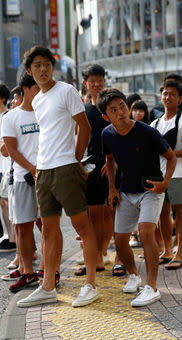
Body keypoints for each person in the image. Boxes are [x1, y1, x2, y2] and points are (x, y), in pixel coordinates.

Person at [17, 46, 99, 308]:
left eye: (47, 64)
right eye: (37, 66)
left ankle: (90, 285)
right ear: (30, 71)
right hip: (43, 170)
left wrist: (76, 158)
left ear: (53, 67)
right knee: (48, 229)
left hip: (65, 167)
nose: (43, 69)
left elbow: (84, 126)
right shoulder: (38, 99)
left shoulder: (66, 90)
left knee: (82, 227)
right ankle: (48, 286)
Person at [99, 88, 176, 306]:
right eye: (114, 110)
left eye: (122, 106)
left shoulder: (147, 132)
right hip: (125, 191)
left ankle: (152, 287)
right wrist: (112, 188)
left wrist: (166, 183)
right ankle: (134, 275)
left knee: (145, 232)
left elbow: (170, 158)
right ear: (107, 116)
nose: (120, 112)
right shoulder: (107, 134)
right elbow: (109, 159)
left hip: (151, 190)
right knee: (121, 241)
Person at [1, 73, 42, 292]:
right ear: (25, 89)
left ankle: (47, 269)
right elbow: (11, 150)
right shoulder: (11, 117)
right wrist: (31, 168)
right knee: (23, 228)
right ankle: (28, 272)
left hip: (47, 178)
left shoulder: (46, 113)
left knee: (48, 226)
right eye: (37, 87)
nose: (41, 92)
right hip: (22, 179)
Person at [73, 64, 114, 277]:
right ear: (85, 83)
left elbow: (121, 134)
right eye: (92, 81)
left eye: (100, 80)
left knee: (105, 213)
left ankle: (100, 254)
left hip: (109, 166)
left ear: (104, 81)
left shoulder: (111, 106)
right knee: (92, 213)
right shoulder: (82, 109)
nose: (96, 84)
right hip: (89, 167)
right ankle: (96, 255)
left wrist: (113, 162)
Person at [150, 80, 182, 269]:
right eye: (165, 94)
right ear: (161, 97)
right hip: (159, 174)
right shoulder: (155, 123)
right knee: (162, 213)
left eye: (172, 94)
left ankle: (180, 253)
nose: (168, 97)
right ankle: (167, 251)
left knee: (181, 212)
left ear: (180, 99)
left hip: (179, 173)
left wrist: (169, 154)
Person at [0, 83, 16, 253]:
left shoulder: (8, 116)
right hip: (1, 167)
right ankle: (9, 235)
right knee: (3, 203)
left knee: (8, 203)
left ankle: (13, 239)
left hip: (7, 166)